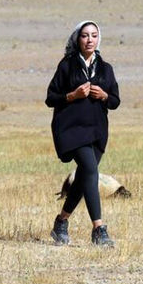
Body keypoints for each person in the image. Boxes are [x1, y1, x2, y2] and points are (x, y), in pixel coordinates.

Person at [45, 21, 120, 246]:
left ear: (99, 39)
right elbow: (51, 98)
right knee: (90, 169)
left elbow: (116, 101)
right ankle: (99, 229)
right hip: (70, 129)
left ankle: (61, 222)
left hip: (97, 130)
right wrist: (73, 95)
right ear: (77, 39)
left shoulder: (106, 69)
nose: (89, 40)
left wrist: (105, 95)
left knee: (84, 176)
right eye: (85, 35)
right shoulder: (67, 66)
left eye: (94, 35)